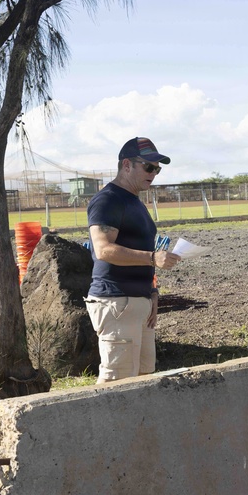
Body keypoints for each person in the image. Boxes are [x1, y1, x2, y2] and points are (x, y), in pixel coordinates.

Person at [85, 137, 180, 383]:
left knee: (143, 377)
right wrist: (152, 257)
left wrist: (152, 294)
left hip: (138, 302)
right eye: (149, 167)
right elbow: (104, 249)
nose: (154, 173)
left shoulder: (133, 201)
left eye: (157, 169)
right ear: (126, 165)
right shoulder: (108, 200)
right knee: (116, 381)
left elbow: (140, 252)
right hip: (116, 301)